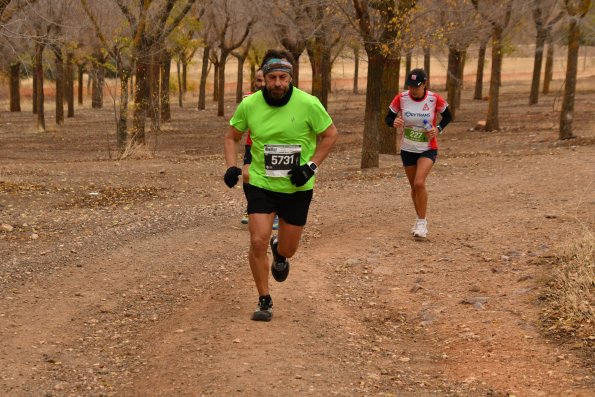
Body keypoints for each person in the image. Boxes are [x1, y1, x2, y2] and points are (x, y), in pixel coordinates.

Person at [224, 49, 338, 321]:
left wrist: (310, 167)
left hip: (297, 187)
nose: (277, 83)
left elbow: (330, 135)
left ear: (290, 78)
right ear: (264, 77)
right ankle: (264, 299)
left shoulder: (308, 104)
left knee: (289, 248)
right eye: (272, 77)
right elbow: (231, 137)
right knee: (256, 240)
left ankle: (280, 252)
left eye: (282, 77)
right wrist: (231, 166)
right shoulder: (250, 105)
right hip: (261, 184)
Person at [385, 68, 452, 239]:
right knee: (414, 186)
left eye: (416, 86)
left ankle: (422, 223)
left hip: (428, 148)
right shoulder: (401, 98)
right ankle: (418, 218)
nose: (413, 90)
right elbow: (388, 118)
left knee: (419, 182)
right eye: (410, 86)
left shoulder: (434, 98)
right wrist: (394, 121)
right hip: (408, 149)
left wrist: (437, 129)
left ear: (424, 84)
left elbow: (448, 116)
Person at [240, 69, 280, 230]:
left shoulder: (281, 97)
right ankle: (252, 206)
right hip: (253, 145)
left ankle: (275, 212)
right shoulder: (249, 100)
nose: (261, 84)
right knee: (247, 175)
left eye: (264, 80)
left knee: (273, 176)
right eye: (258, 81)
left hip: (275, 146)